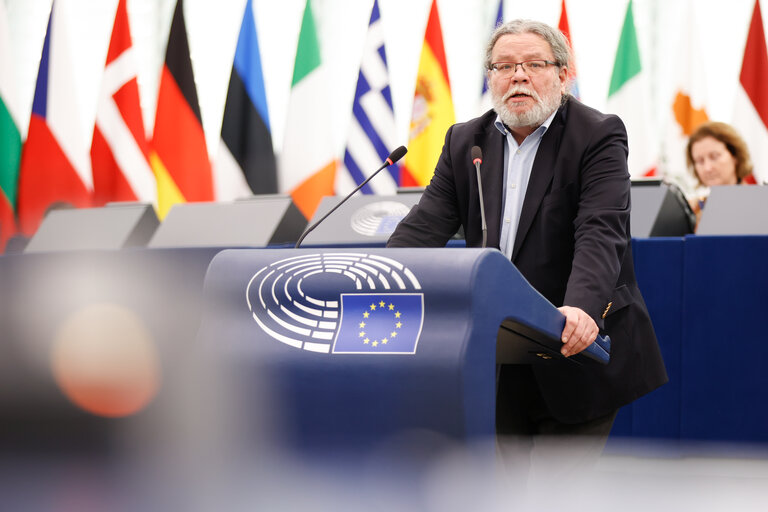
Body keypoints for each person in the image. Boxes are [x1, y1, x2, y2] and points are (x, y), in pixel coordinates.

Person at [387, 19, 667, 482]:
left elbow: (601, 230)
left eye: (534, 64)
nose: (518, 76)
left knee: (556, 497)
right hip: (495, 353)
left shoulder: (597, 135)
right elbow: (423, 228)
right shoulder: (465, 140)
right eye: (504, 66)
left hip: (575, 349)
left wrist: (581, 308)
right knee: (501, 494)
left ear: (563, 74)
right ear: (490, 77)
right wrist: (374, 281)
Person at [686, 121, 757, 229]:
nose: (707, 168)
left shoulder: (760, 205)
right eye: (700, 161)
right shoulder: (689, 211)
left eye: (714, 157)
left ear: (735, 156)